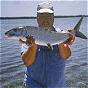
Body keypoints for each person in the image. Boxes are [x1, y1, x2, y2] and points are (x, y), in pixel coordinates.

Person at [19, 2, 75, 88]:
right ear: (37, 18)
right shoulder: (29, 34)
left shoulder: (60, 33)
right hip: (32, 85)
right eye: (42, 17)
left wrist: (61, 40)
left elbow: (66, 56)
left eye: (48, 16)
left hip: (57, 85)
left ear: (53, 18)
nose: (45, 20)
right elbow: (27, 62)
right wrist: (33, 46)